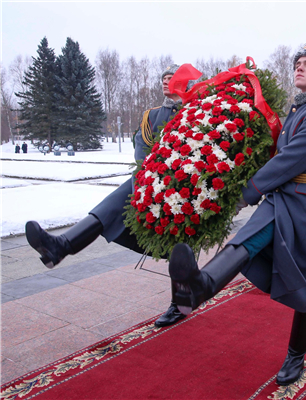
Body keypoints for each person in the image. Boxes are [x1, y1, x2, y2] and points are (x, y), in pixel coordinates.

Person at [167, 41, 306, 387]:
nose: (300, 67)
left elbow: (288, 160)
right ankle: (199, 287)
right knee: (245, 241)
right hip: (284, 198)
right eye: (297, 63)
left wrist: (247, 193)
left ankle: (296, 355)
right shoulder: (299, 110)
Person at [25, 64, 188, 328]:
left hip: (185, 187)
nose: (167, 83)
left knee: (180, 243)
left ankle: (181, 301)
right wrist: (147, 185)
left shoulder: (196, 112)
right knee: (115, 203)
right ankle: (60, 246)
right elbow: (141, 154)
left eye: (173, 79)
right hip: (151, 181)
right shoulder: (153, 115)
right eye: (164, 79)